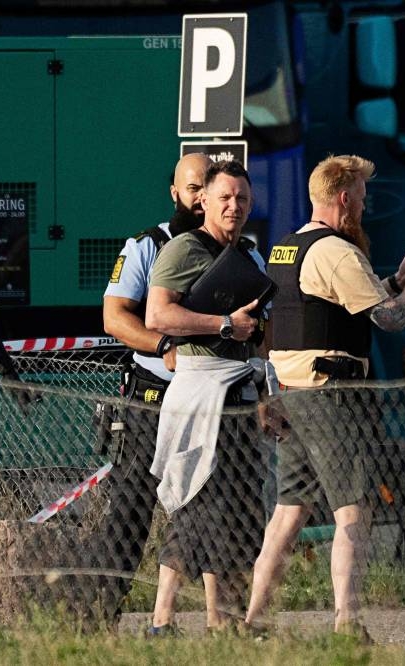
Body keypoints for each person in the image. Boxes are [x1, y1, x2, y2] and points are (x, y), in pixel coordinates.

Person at [242, 154, 405, 638]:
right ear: (344, 199)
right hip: (330, 397)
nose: (365, 206)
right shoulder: (339, 251)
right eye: (363, 198)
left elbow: (337, 306)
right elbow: (389, 319)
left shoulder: (289, 248)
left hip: (291, 394)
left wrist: (397, 279)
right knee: (353, 508)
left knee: (289, 511)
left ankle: (254, 618)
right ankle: (348, 621)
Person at [145, 160, 270, 632]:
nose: (233, 205)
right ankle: (169, 617)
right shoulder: (182, 250)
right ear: (204, 202)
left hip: (240, 388)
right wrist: (221, 325)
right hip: (199, 388)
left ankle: (220, 617)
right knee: (197, 499)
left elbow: (261, 331)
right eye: (224, 197)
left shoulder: (252, 256)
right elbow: (158, 316)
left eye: (241, 198)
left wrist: (266, 394)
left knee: (237, 504)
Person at [92, 153, 211, 629]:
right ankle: (99, 617)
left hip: (208, 400)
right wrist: (164, 346)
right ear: (175, 192)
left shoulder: (233, 250)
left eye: (209, 187)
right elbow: (114, 316)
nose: (201, 197)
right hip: (152, 397)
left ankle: (207, 621)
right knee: (129, 511)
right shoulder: (148, 245)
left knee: (203, 507)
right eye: (193, 187)